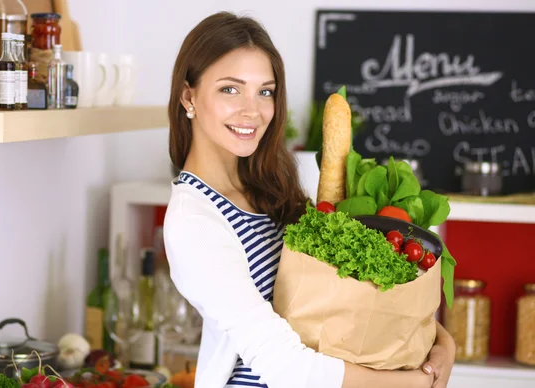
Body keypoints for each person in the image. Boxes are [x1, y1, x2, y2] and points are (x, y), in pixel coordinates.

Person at [163, 11, 456, 388]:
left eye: (265, 91)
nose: (252, 110)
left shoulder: (269, 188)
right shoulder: (195, 219)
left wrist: (442, 345)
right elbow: (285, 365)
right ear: (189, 95)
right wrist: (417, 383)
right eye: (230, 89)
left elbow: (344, 300)